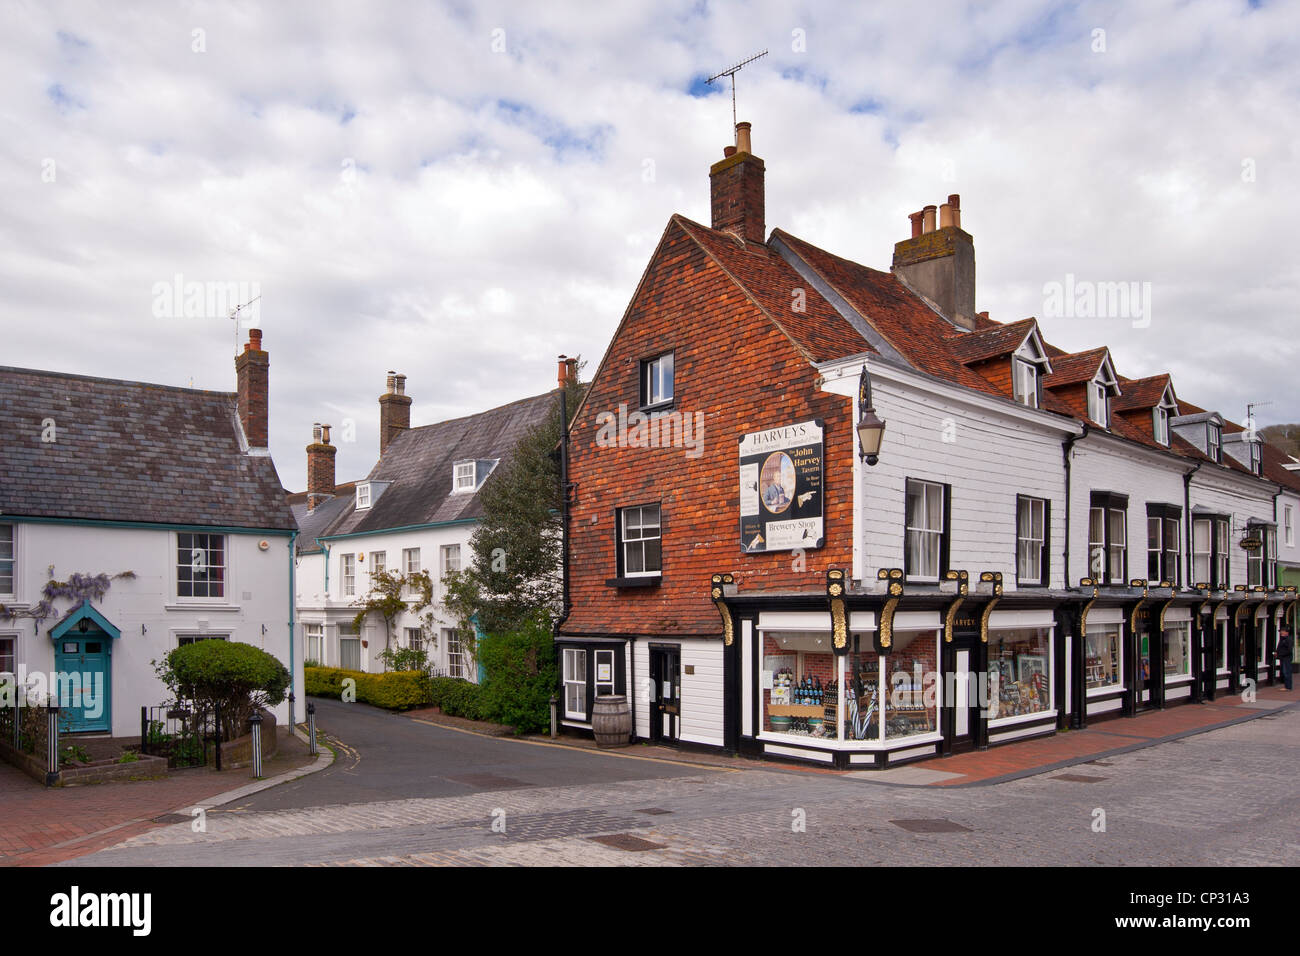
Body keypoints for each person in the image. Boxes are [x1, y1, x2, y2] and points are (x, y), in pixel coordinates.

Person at [1278, 624, 1294, 691]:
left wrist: (1281, 654)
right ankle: (1286, 686)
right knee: (1285, 672)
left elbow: (1289, 650)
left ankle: (1288, 687)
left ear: (1286, 632)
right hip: (1283, 658)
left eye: (1282, 631)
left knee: (1286, 672)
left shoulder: (1288, 639)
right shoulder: (1283, 639)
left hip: (1286, 658)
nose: (1281, 632)